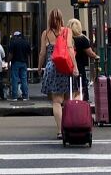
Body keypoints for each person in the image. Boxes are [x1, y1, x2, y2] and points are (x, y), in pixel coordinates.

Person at [38, 8, 75, 139]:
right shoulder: (67, 31)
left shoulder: (46, 33)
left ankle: (60, 130)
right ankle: (70, 125)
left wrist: (39, 67)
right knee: (67, 99)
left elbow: (42, 53)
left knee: (56, 101)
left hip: (52, 67)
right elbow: (70, 49)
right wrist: (75, 67)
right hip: (65, 66)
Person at [67, 18, 98, 102]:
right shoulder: (82, 39)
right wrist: (96, 56)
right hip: (80, 64)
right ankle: (83, 99)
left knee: (70, 82)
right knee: (82, 82)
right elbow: (90, 53)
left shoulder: (66, 38)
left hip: (67, 64)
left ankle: (70, 98)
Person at [8, 29, 31, 101]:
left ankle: (14, 97)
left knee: (15, 79)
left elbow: (11, 54)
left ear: (15, 36)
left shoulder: (13, 42)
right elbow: (29, 53)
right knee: (24, 79)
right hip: (24, 63)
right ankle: (25, 96)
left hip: (15, 63)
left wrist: (8, 62)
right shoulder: (26, 42)